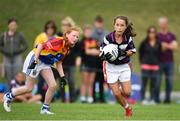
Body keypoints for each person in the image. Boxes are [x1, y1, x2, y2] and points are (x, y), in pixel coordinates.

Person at [3, 26, 81, 114]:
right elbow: (40, 45)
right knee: (29, 88)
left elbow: (59, 63)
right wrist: (35, 61)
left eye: (77, 37)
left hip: (45, 63)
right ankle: (9, 96)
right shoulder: (58, 41)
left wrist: (62, 77)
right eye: (74, 35)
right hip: (35, 58)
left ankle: (45, 109)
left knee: (53, 85)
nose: (76, 38)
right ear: (66, 34)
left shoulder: (66, 49)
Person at [100, 16, 136, 117]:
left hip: (124, 66)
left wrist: (122, 52)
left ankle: (120, 89)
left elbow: (132, 51)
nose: (119, 27)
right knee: (116, 94)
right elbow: (101, 51)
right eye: (117, 25)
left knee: (127, 93)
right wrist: (104, 55)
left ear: (125, 27)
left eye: (122, 25)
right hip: (110, 68)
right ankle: (127, 108)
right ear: (114, 26)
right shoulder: (108, 38)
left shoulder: (128, 38)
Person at [32, 20, 57, 102]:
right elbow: (36, 48)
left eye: (52, 28)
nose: (50, 30)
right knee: (41, 81)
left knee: (51, 83)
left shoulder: (56, 38)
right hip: (40, 61)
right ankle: (39, 97)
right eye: (48, 28)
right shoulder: (41, 36)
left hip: (50, 63)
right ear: (46, 29)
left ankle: (49, 100)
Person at [0, 18, 28, 90]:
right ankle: (8, 93)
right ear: (8, 25)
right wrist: (4, 51)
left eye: (15, 25)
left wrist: (18, 51)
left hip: (17, 57)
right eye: (11, 25)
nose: (13, 26)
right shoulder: (4, 35)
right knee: (8, 75)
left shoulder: (19, 35)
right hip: (7, 57)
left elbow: (25, 45)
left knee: (17, 75)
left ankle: (17, 93)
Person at [155, 17, 178, 104]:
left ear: (167, 23)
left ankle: (167, 100)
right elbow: (157, 48)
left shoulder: (172, 35)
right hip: (159, 62)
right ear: (159, 24)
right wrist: (169, 45)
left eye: (164, 23)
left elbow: (175, 47)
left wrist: (165, 45)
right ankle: (156, 100)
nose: (163, 24)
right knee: (157, 81)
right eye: (161, 23)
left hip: (169, 62)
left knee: (169, 82)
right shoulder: (157, 36)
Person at [57, 17, 78, 102]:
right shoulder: (58, 35)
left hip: (71, 62)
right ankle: (63, 99)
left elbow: (78, 49)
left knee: (71, 81)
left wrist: (78, 58)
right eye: (63, 25)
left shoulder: (74, 36)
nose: (64, 26)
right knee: (62, 81)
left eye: (67, 25)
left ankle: (72, 100)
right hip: (60, 62)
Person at [139, 26, 161, 105]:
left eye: (153, 32)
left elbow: (159, 54)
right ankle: (143, 99)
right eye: (150, 32)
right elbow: (140, 53)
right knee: (144, 83)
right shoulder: (144, 42)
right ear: (148, 33)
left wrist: (158, 63)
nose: (152, 34)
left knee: (153, 84)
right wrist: (141, 63)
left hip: (155, 66)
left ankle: (152, 99)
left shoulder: (158, 43)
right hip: (145, 65)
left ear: (155, 33)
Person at [79, 25, 100, 103]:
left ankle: (90, 97)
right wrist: (93, 51)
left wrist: (92, 51)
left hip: (93, 64)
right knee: (84, 81)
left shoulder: (94, 41)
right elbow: (86, 52)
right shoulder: (82, 42)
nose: (88, 33)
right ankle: (82, 97)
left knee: (91, 81)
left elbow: (99, 51)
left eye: (89, 31)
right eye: (86, 32)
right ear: (84, 33)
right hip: (85, 64)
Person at [91, 15, 108, 103]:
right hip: (93, 60)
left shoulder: (106, 33)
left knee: (102, 80)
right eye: (97, 22)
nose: (98, 24)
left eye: (100, 22)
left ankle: (102, 98)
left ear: (102, 23)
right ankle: (93, 98)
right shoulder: (91, 33)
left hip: (102, 60)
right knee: (93, 80)